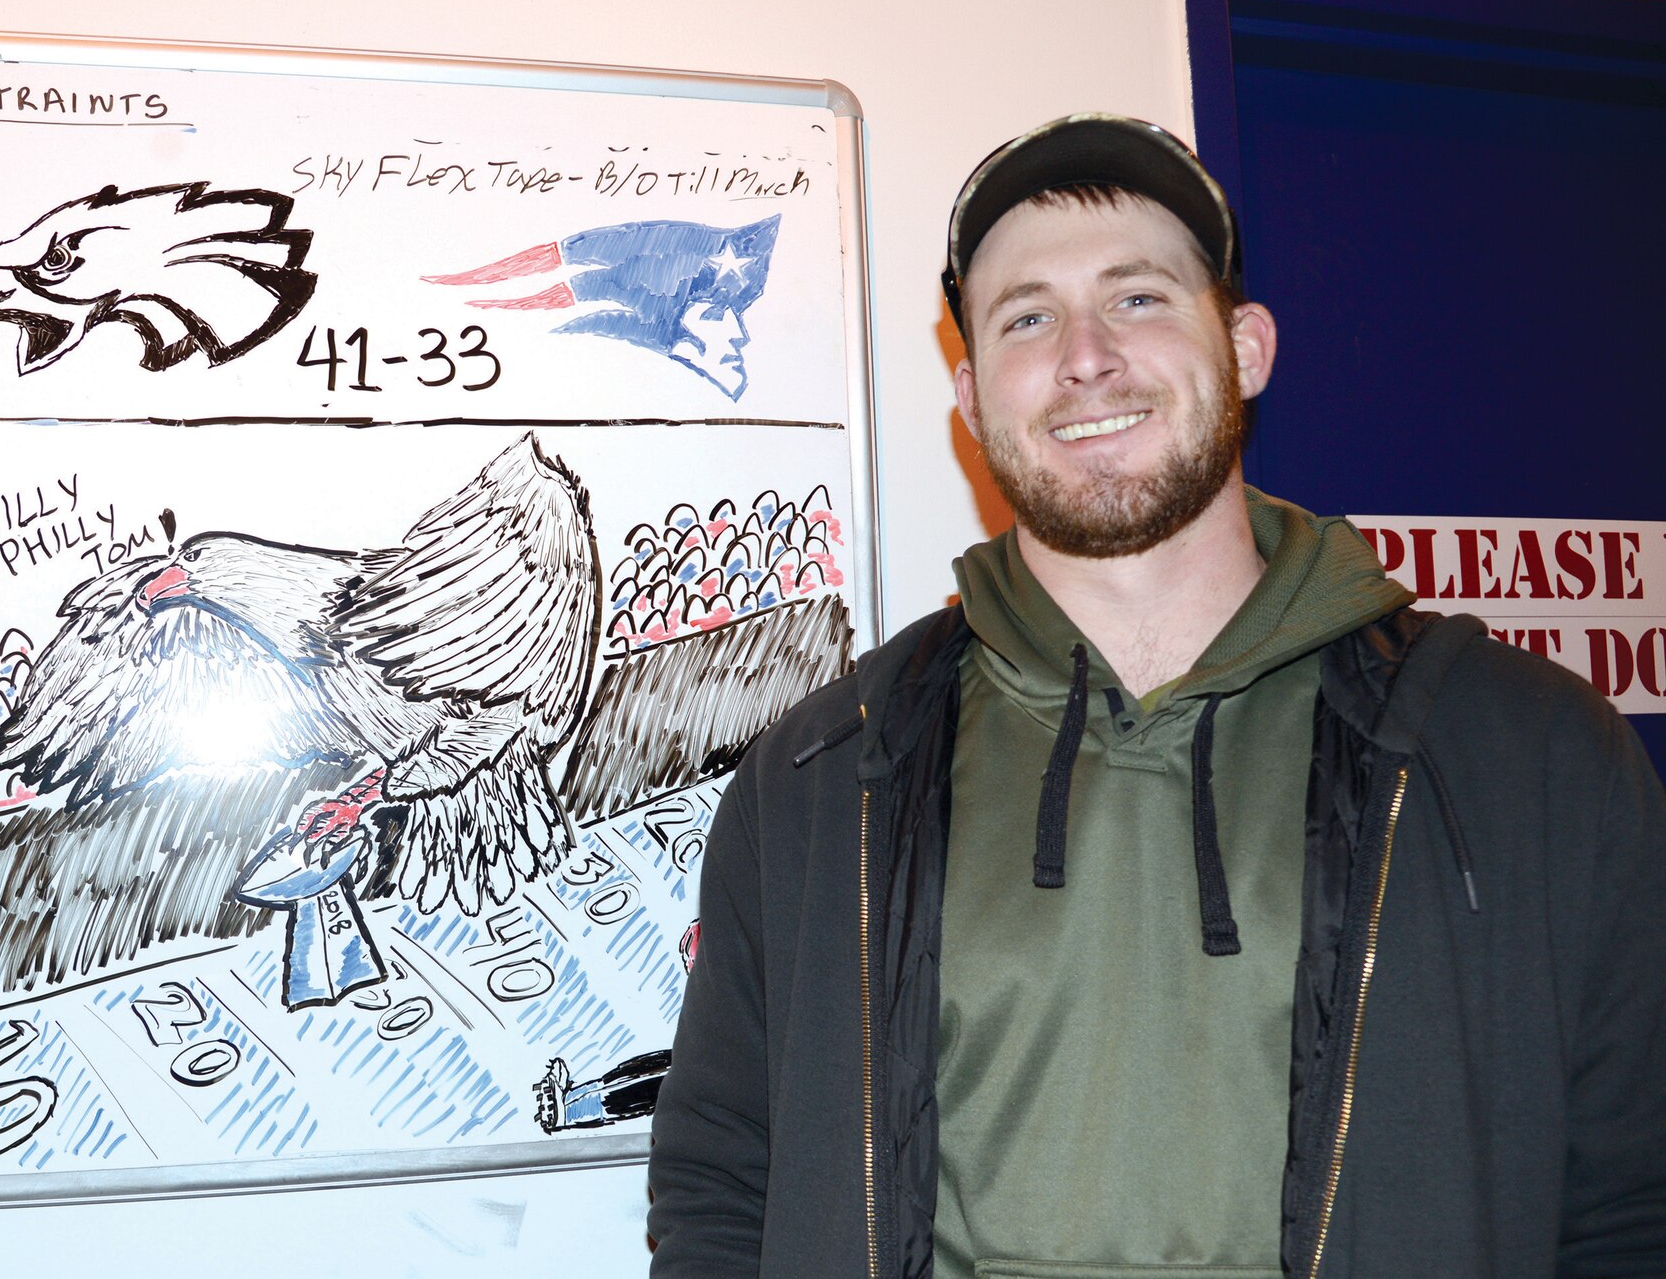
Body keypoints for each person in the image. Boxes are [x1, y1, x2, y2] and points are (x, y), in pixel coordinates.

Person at [646, 113, 1666, 1278]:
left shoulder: (1521, 749)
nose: (1085, 355)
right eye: (1027, 316)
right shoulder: (824, 777)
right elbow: (721, 1181)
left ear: (1244, 348)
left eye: (1136, 298)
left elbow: (1631, 1196)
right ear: (972, 398)